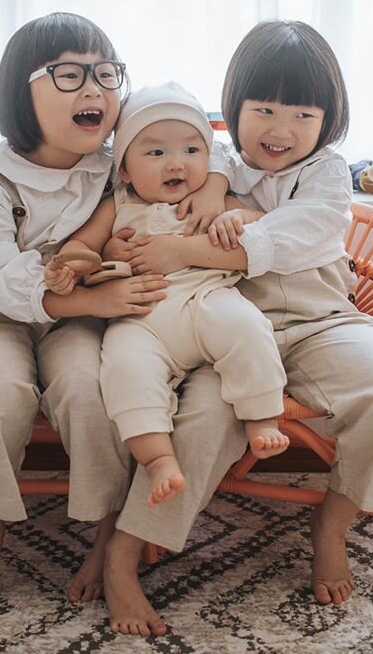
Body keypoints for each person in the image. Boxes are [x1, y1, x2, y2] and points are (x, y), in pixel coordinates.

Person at [0, 12, 248, 637]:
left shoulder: (116, 162)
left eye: (106, 74)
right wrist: (85, 302)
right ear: (21, 94)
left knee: (88, 388)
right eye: (70, 75)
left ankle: (108, 534)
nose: (94, 90)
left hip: (84, 318)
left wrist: (212, 183)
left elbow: (198, 142)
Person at [125, 21, 373, 606]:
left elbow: (302, 234)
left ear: (327, 120)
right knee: (202, 420)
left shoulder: (326, 172)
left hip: (321, 322)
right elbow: (157, 185)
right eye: (263, 109)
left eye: (303, 116)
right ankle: (132, 545)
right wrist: (215, 188)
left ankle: (332, 523)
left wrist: (203, 234)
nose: (281, 130)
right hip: (229, 330)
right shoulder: (207, 158)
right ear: (233, 108)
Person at [45, 82, 290, 509]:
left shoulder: (211, 199)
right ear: (123, 169)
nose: (176, 163)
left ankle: (261, 417)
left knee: (247, 327)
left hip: (207, 301)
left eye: (191, 151)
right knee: (122, 368)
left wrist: (238, 218)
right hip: (141, 320)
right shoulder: (117, 204)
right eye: (156, 153)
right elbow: (79, 248)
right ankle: (157, 458)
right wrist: (82, 261)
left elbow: (265, 224)